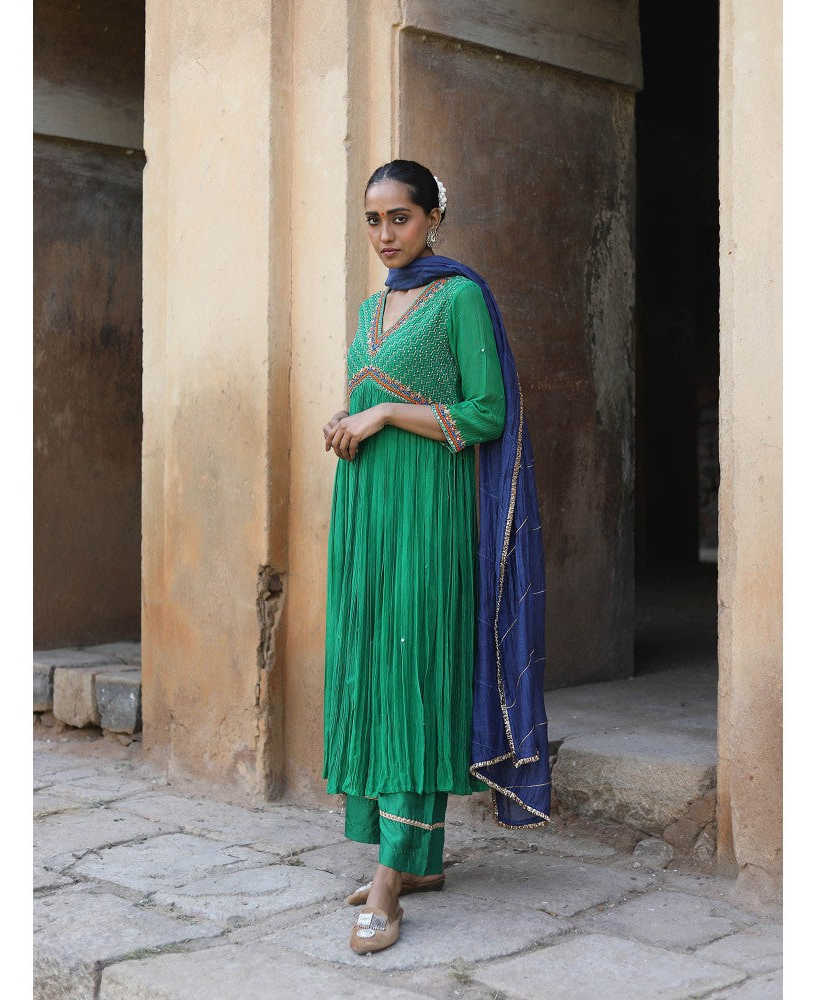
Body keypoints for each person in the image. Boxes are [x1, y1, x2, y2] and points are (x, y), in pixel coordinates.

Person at [322, 160, 549, 955]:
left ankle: (391, 878)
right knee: (371, 668)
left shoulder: (459, 299)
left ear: (433, 219)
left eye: (401, 218)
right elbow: (370, 396)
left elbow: (486, 412)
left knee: (413, 674)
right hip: (367, 513)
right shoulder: (371, 308)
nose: (386, 235)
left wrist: (386, 412)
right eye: (374, 219)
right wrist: (349, 421)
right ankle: (415, 860)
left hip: (430, 517)